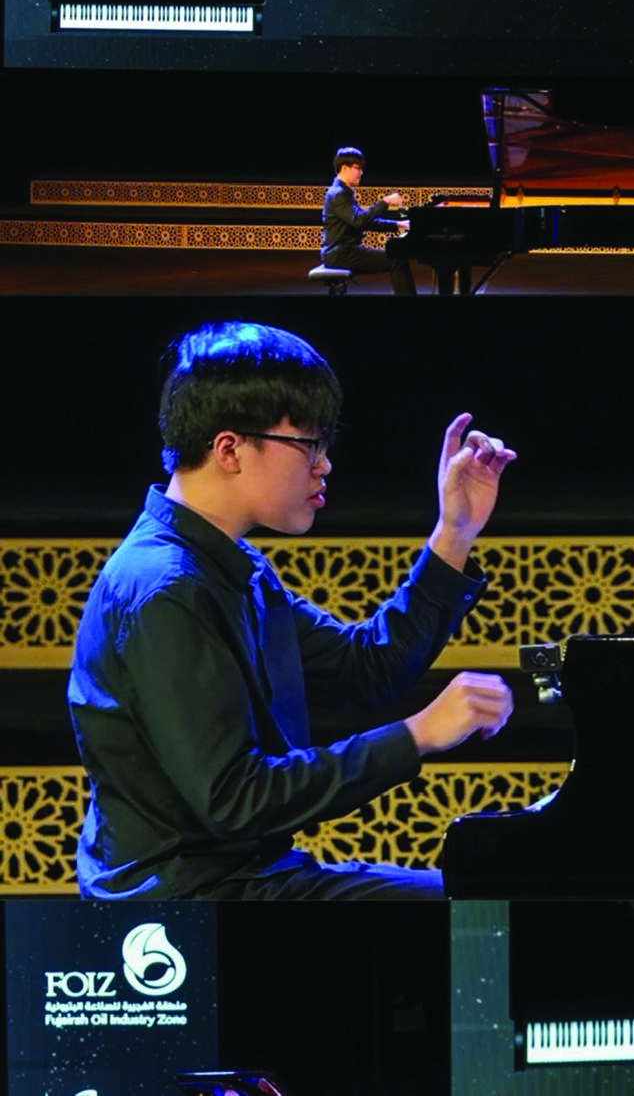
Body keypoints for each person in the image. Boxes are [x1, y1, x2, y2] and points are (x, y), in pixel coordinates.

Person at [68, 321, 515, 900]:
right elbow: (234, 800)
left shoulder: (227, 564)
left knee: (488, 896)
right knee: (480, 911)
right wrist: (417, 735)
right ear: (229, 449)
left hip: (245, 876)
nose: (323, 464)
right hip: (187, 899)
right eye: (308, 445)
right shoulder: (165, 589)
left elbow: (366, 672)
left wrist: (454, 533)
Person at [321, 146, 418, 295]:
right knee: (397, 260)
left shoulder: (343, 192)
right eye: (357, 168)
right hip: (340, 254)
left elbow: (364, 221)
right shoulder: (338, 194)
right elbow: (359, 220)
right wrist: (385, 202)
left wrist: (398, 225)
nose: (361, 173)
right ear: (344, 168)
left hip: (344, 251)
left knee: (396, 257)